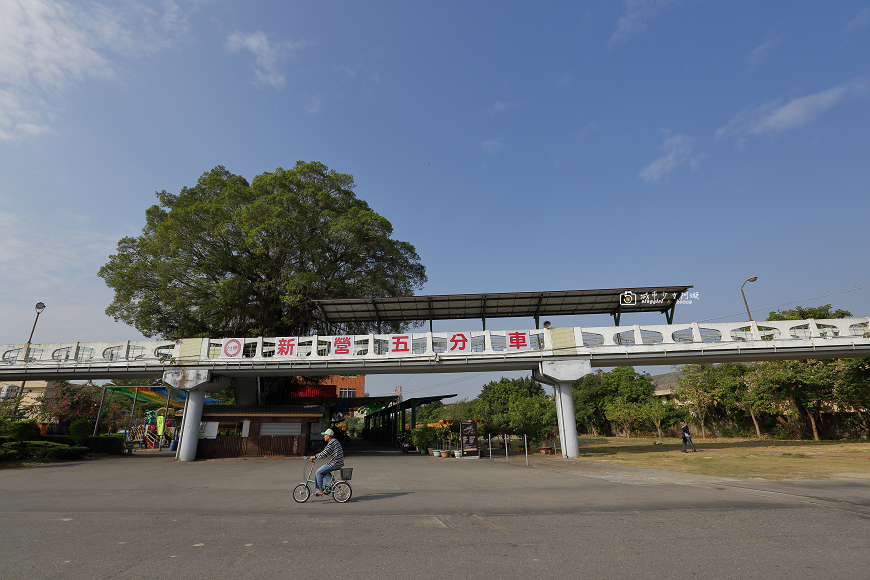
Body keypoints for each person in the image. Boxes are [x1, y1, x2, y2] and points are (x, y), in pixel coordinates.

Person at [305, 428, 344, 497]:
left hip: (335, 462)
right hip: (337, 462)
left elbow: (324, 453)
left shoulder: (332, 442)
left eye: (325, 435)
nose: (324, 436)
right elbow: (325, 452)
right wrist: (316, 456)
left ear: (328, 436)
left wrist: (315, 457)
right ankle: (333, 482)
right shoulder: (334, 441)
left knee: (318, 472)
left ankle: (320, 490)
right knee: (324, 471)